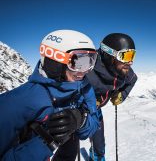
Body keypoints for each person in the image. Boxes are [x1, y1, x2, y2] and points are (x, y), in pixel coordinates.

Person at [0, 30, 101, 161]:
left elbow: (93, 125)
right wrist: (48, 140)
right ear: (56, 61)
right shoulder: (16, 102)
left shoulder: (84, 88)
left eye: (90, 61)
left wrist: (81, 120)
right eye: (79, 62)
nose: (85, 70)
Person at [86, 33, 138, 160]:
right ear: (110, 55)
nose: (130, 62)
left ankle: (97, 156)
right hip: (78, 111)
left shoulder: (123, 71)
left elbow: (133, 80)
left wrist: (121, 95)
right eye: (126, 56)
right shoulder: (87, 69)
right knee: (68, 148)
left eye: (133, 55)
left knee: (99, 142)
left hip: (96, 110)